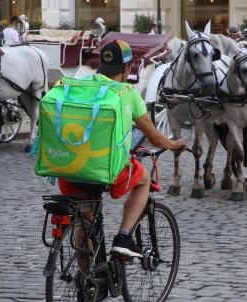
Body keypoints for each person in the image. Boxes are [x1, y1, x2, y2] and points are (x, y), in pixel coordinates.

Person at [58, 40, 189, 257]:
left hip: (68, 168)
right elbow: (155, 139)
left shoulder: (78, 85)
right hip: (104, 170)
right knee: (144, 178)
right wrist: (174, 144)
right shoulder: (126, 92)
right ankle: (124, 237)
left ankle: (86, 285)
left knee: (85, 220)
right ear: (127, 68)